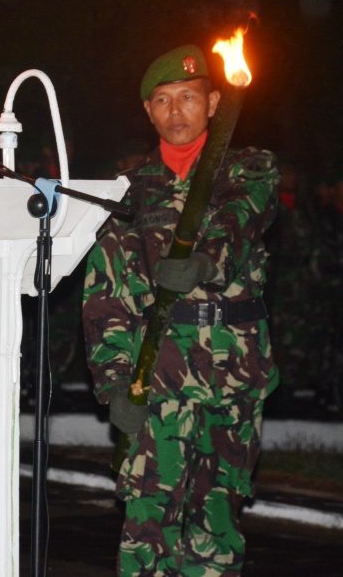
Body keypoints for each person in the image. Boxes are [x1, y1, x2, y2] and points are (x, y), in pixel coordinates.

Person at [81, 44, 280, 576]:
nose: (175, 111)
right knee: (149, 529)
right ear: (148, 111)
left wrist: (205, 264)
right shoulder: (127, 193)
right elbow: (108, 298)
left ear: (214, 102)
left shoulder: (249, 169)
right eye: (163, 100)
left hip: (232, 381)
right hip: (160, 379)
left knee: (216, 530)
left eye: (188, 97)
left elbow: (239, 220)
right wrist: (114, 385)